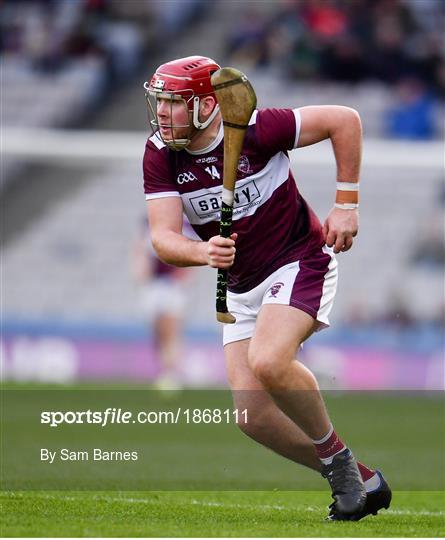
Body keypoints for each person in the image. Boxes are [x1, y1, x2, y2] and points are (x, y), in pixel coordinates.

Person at [142, 55, 392, 521]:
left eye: (173, 103)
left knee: (269, 360)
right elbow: (163, 237)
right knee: (252, 418)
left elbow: (345, 120)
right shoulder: (160, 152)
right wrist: (202, 253)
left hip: (298, 260)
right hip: (239, 286)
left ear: (204, 105)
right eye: (159, 102)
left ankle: (337, 465)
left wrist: (346, 205)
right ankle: (358, 474)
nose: (161, 113)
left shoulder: (258, 129)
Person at [132, 216, 188, 389]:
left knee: (170, 328)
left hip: (171, 284)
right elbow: (139, 248)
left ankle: (171, 372)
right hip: (153, 285)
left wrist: (181, 278)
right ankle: (164, 369)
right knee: (157, 331)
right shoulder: (147, 222)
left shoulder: (182, 222)